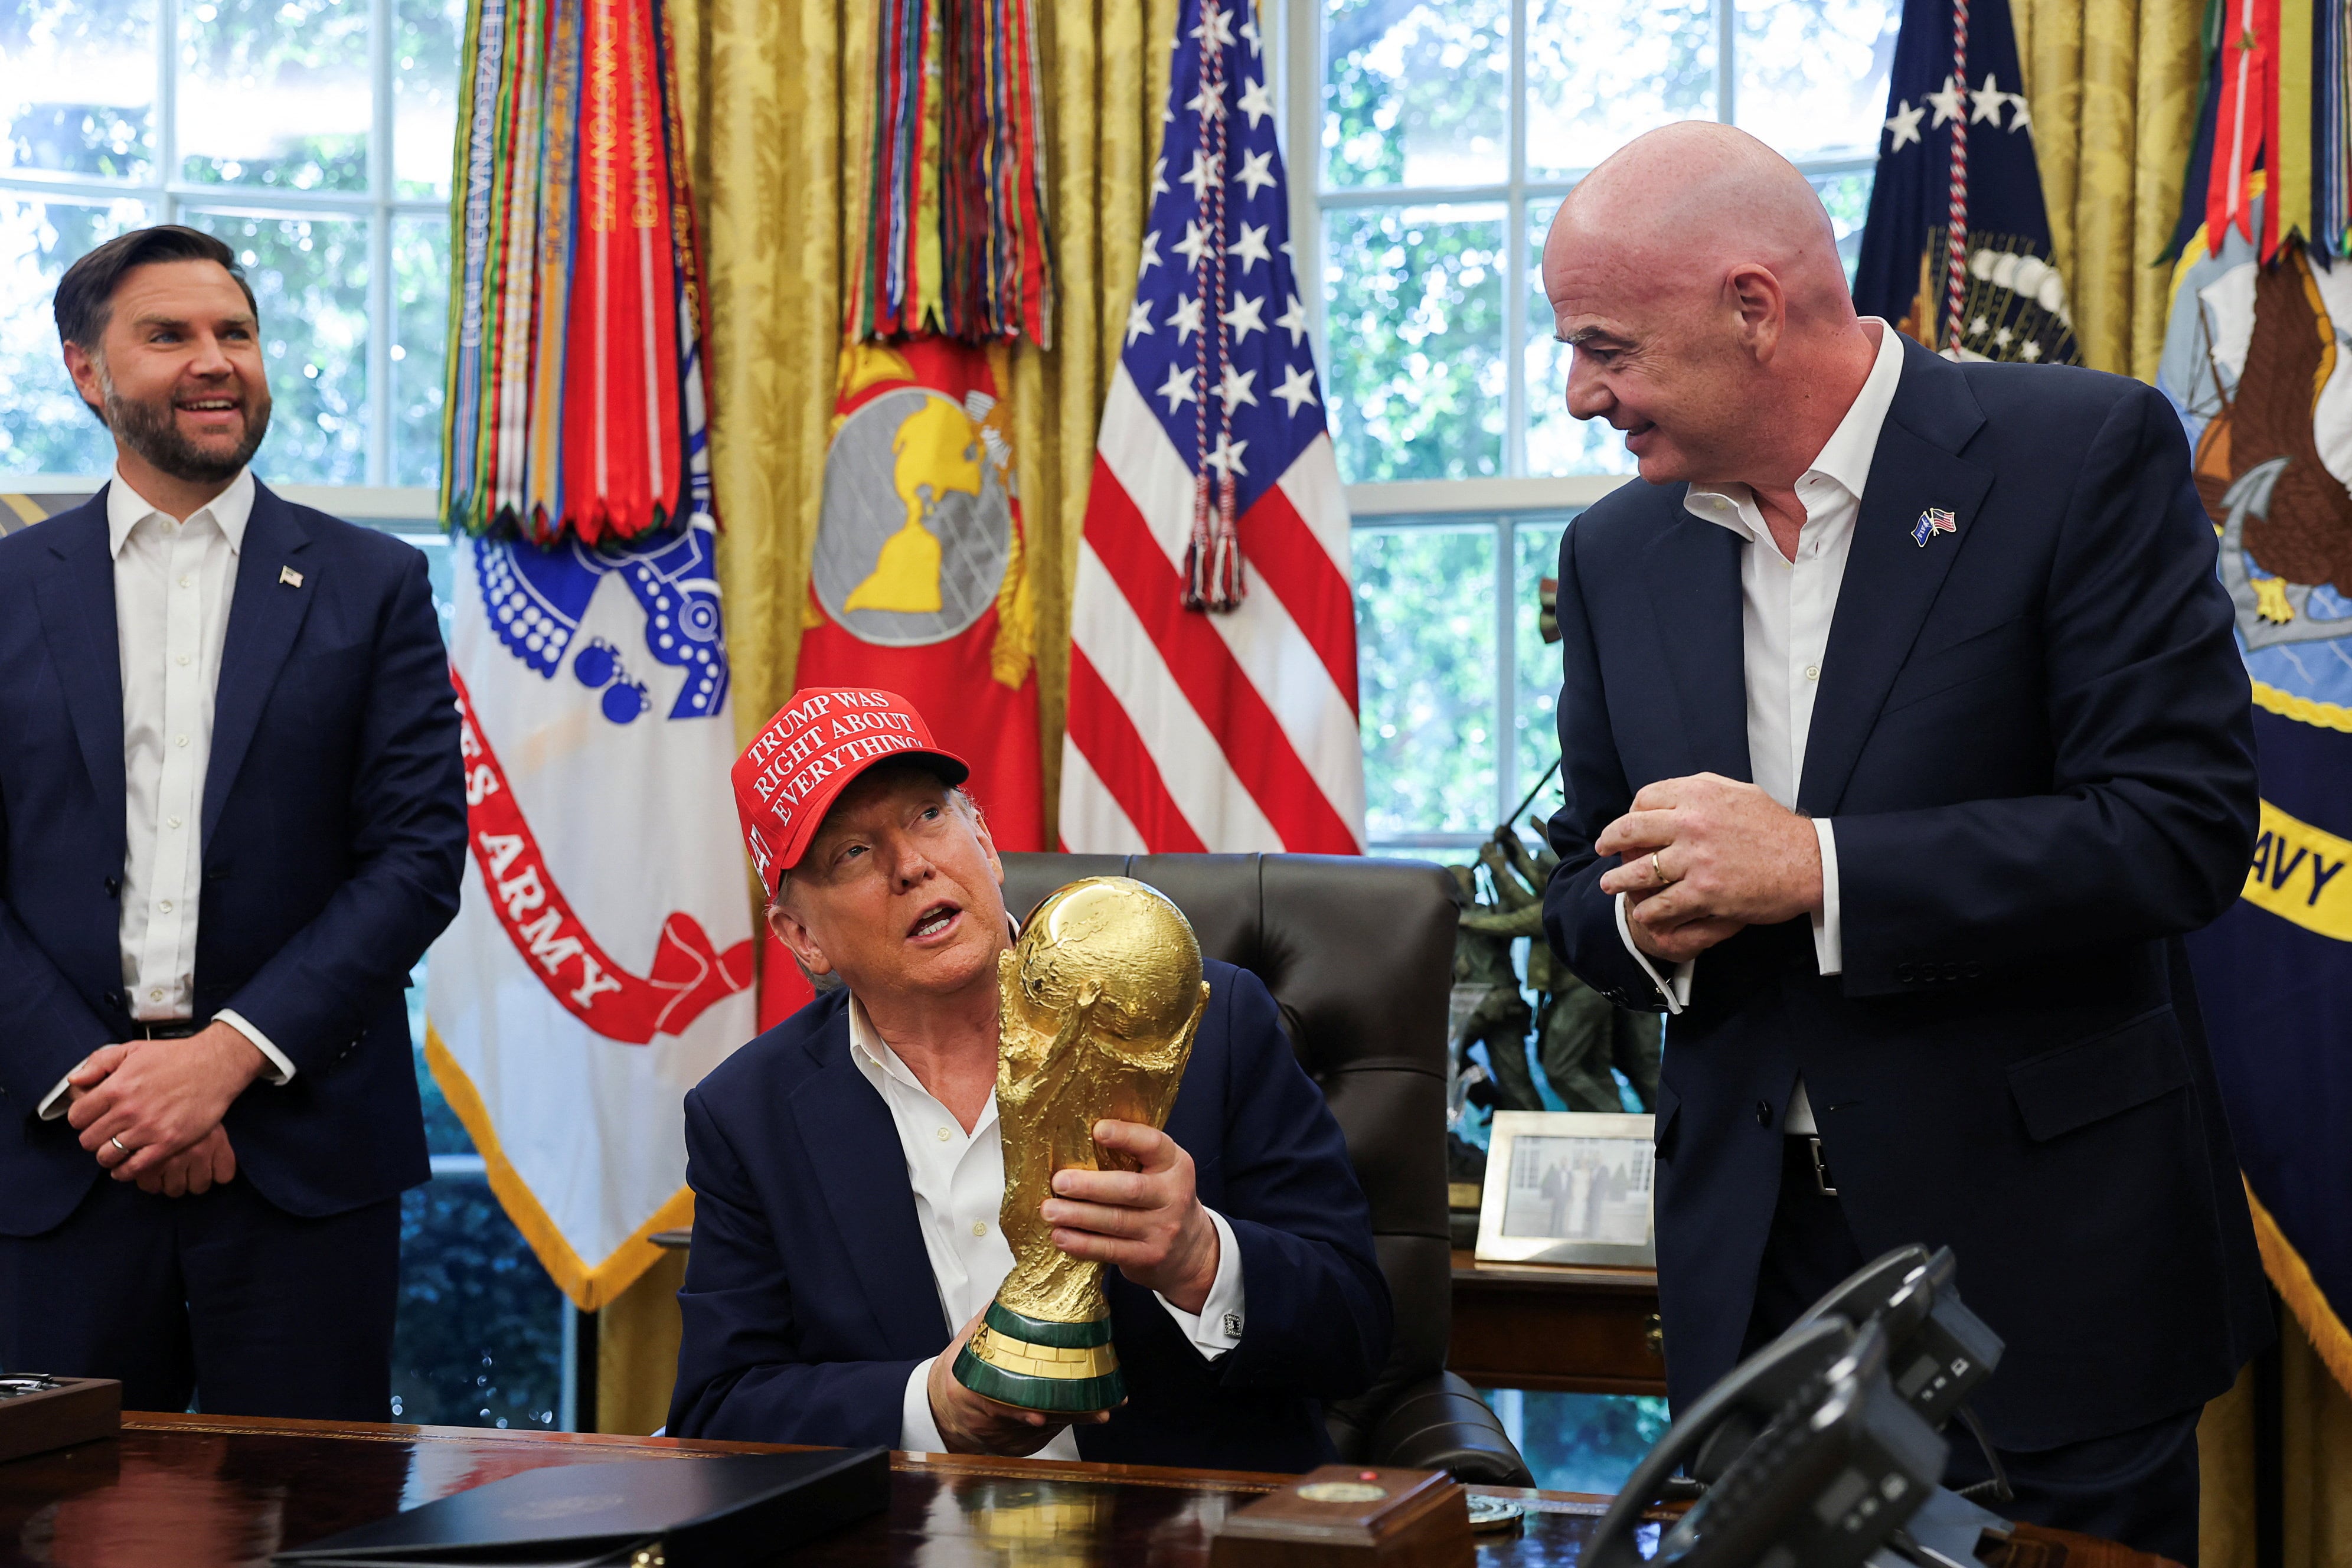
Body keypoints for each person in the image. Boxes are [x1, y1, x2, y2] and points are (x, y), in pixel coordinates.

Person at [1536, 124, 2266, 1559]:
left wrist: (1817, 870)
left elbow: (2177, 829)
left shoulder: (2078, 453)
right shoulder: (1616, 552)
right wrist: (1639, 917)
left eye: (1607, 345)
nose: (1579, 395)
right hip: (1754, 1277)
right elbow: (1576, 884)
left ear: (1754, 308)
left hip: (2041, 1267)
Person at [667, 688, 1390, 1470]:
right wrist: (928, 1408)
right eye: (854, 853)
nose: (913, 866)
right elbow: (718, 1413)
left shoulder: (1208, 1024)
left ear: (984, 838)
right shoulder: (748, 1116)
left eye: (929, 817)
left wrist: (1200, 1258)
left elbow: (1359, 1331)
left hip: (1183, 1538)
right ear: (802, 936)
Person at [0, 226, 466, 1417]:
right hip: (57, 1157)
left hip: (304, 1156)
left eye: (237, 333)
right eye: (170, 335)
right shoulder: (10, 589)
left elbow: (416, 858)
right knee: (51, 1520)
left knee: (316, 1519)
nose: (217, 362)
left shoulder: (375, 583)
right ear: (87, 371)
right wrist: (105, 1088)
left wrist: (223, 1060)